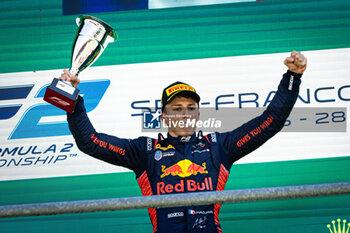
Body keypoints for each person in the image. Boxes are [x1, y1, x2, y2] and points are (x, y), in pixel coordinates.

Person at [62, 51, 307, 233]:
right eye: (176, 108)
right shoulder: (144, 151)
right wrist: (72, 102)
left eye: (191, 108)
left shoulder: (219, 146)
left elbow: (270, 122)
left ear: (198, 115)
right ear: (164, 117)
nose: (185, 114)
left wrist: (292, 78)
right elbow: (90, 142)